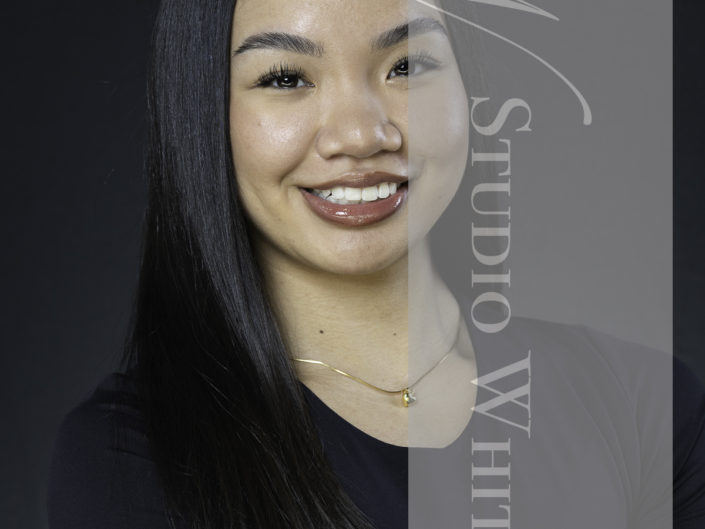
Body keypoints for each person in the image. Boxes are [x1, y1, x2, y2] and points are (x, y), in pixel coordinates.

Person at [47, 0, 705, 528]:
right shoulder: (132, 458)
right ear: (201, 110)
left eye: (407, 65)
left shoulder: (642, 406)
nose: (361, 135)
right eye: (285, 78)